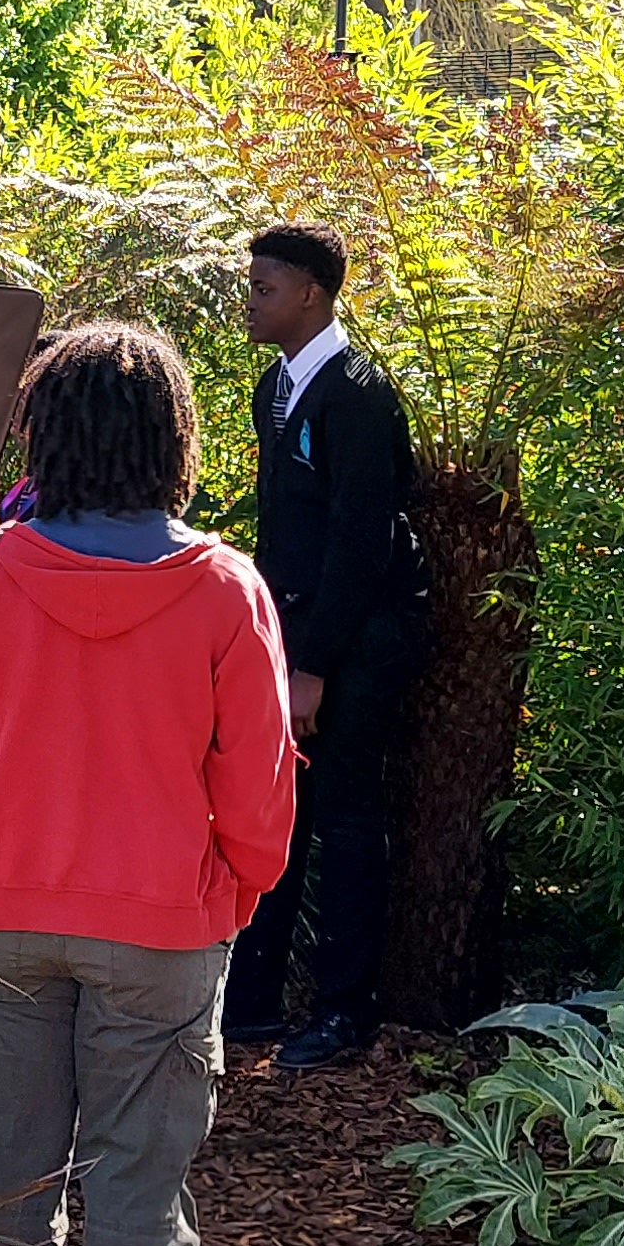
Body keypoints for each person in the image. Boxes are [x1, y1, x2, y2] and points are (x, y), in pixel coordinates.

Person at [0, 322, 295, 1246]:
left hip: (5, 910)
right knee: (137, 1178)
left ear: (43, 437)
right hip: (163, 923)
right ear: (174, 438)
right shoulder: (224, 587)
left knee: (7, 1167)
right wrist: (239, 882)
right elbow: (259, 772)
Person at [223, 222, 425, 1064]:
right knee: (282, 811)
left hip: (358, 639)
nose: (251, 300)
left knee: (346, 817)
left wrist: (314, 668)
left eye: (265, 287)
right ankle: (257, 998)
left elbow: (361, 540)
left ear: (312, 291)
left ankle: (346, 1011)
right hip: (297, 631)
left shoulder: (359, 392)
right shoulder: (279, 384)